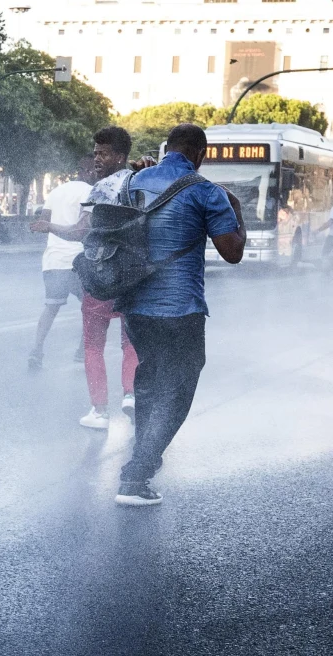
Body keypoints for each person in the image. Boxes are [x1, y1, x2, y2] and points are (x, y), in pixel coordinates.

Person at [114, 124, 245, 506]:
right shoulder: (207, 191)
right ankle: (137, 474)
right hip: (180, 309)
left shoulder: (132, 183)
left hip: (135, 306)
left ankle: (142, 457)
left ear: (166, 148)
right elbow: (233, 252)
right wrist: (236, 209)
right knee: (178, 391)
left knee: (150, 381)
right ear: (201, 154)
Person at [27, 160, 93, 371]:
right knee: (90, 307)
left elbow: (43, 222)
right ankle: (82, 351)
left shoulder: (56, 192)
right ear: (87, 170)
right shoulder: (91, 191)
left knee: (51, 308)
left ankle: (36, 350)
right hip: (78, 260)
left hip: (53, 260)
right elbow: (84, 228)